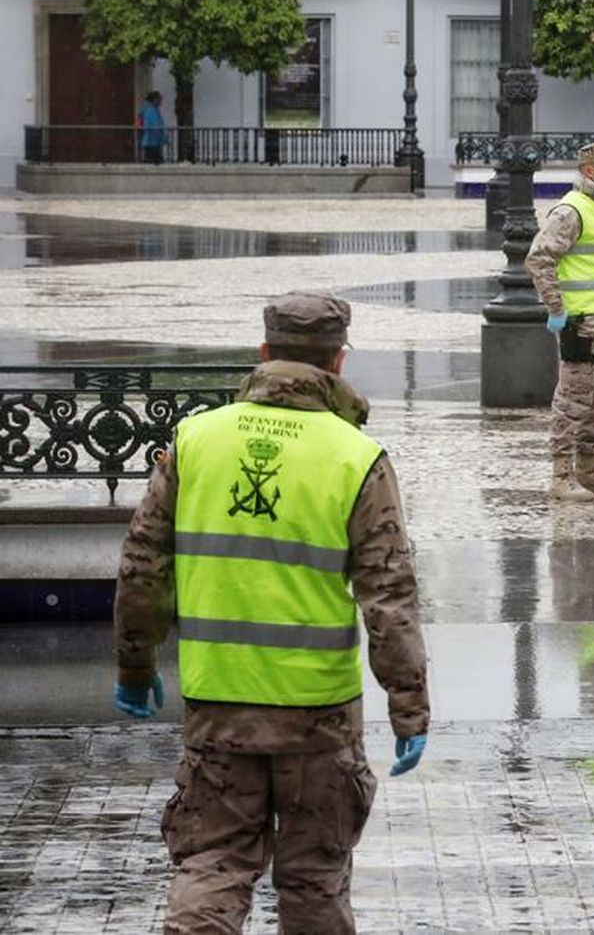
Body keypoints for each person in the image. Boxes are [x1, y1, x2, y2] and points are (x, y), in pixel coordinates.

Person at [113, 291, 431, 935]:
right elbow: (388, 594)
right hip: (319, 712)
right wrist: (409, 705)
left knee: (212, 865)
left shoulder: (197, 440)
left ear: (262, 354)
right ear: (338, 361)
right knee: (314, 881)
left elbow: (143, 564)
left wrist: (135, 666)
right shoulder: (355, 457)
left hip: (218, 702)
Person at [526, 141, 594, 500]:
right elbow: (540, 259)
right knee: (573, 401)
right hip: (581, 325)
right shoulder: (571, 211)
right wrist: (557, 310)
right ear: (590, 171)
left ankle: (589, 470)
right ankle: (560, 475)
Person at [138, 90, 166, 165]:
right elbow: (154, 126)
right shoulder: (150, 110)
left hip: (152, 142)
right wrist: (163, 138)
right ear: (155, 99)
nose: (161, 101)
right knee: (154, 163)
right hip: (152, 142)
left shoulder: (150, 109)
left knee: (154, 162)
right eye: (159, 99)